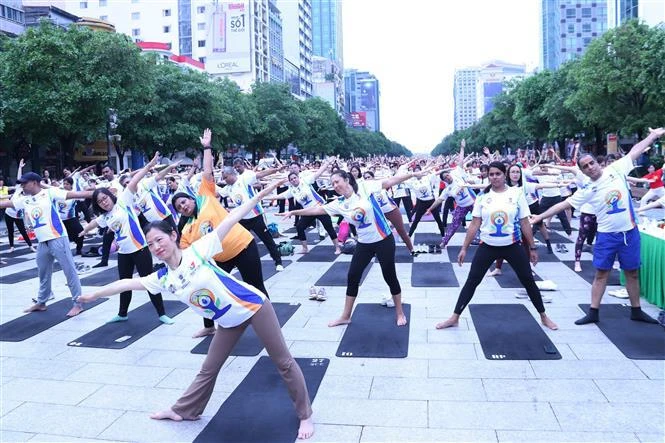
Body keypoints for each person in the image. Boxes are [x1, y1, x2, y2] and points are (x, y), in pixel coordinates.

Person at [77, 180, 315, 440]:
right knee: (208, 369)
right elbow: (127, 282)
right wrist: (95, 293)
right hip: (228, 320)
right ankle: (183, 410)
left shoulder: (198, 251)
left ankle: (305, 415)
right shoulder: (163, 278)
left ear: (173, 236)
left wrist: (264, 193)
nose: (157, 247)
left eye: (160, 239)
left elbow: (232, 217)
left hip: (254, 306)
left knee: (283, 361)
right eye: (151, 244)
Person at [531, 127, 665, 325]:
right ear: (583, 171)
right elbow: (564, 204)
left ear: (597, 162)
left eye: (591, 163)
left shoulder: (616, 170)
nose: (590, 167)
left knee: (632, 272)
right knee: (601, 273)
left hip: (630, 232)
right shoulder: (588, 188)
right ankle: (593, 312)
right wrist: (539, 216)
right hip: (607, 235)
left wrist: (653, 136)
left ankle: (636, 310)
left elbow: (635, 150)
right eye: (585, 166)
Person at [172, 129, 272, 338]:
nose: (183, 207)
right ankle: (209, 327)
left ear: (190, 198)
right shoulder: (187, 229)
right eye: (179, 208)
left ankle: (269, 322)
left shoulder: (205, 195)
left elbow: (207, 171)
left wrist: (207, 147)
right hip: (221, 258)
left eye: (183, 202)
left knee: (256, 285)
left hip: (243, 247)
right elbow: (182, 252)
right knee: (207, 286)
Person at [436, 162, 558, 331]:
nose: (494, 177)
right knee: (472, 281)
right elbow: (474, 224)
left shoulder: (516, 194)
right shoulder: (482, 197)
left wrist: (532, 248)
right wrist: (464, 248)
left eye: (498, 174)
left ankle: (544, 316)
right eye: (491, 174)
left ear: (504, 174)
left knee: (528, 280)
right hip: (487, 246)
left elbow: (524, 222)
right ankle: (454, 317)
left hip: (512, 245)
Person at [280, 170, 408, 327]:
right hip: (364, 244)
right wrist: (294, 211)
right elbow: (317, 210)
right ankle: (346, 316)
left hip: (383, 240)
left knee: (389, 276)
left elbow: (390, 181)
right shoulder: (338, 203)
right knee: (353, 276)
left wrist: (414, 175)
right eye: (332, 184)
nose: (335, 186)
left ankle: (400, 312)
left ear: (347, 180)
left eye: (337, 182)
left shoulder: (365, 188)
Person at [78, 153, 173, 325]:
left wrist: (149, 165)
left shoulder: (123, 201)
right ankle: (122, 313)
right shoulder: (105, 217)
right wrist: (83, 230)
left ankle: (162, 313)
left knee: (149, 283)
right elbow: (94, 223)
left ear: (110, 195)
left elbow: (135, 180)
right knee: (124, 284)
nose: (104, 202)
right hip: (124, 253)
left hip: (140, 249)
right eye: (100, 201)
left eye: (105, 198)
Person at [0, 171, 93, 316]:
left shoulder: (49, 193)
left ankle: (78, 303)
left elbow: (75, 194)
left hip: (57, 238)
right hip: (43, 242)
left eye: (25, 183)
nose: (22, 186)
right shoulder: (25, 200)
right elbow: (7, 203)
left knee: (69, 271)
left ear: (34, 183)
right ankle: (42, 302)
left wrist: (98, 193)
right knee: (43, 272)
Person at [220, 164, 285, 272]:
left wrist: (276, 170)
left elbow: (261, 174)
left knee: (267, 240)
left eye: (226, 177)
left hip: (256, 216)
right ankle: (235, 262)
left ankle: (278, 262)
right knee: (236, 241)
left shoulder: (244, 179)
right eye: (223, 178)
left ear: (231, 174)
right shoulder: (228, 188)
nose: (224, 180)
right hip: (242, 219)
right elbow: (216, 193)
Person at [269, 158, 341, 255]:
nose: (294, 180)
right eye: (291, 179)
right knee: (299, 226)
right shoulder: (292, 190)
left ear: (298, 177)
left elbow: (318, 173)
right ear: (289, 182)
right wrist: (262, 197)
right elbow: (280, 196)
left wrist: (327, 163)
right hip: (308, 211)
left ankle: (337, 247)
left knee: (328, 227)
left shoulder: (306, 180)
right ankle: (305, 248)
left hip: (319, 207)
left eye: (295, 178)